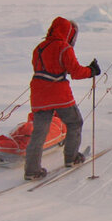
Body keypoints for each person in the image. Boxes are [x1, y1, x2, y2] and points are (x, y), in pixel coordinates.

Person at [25, 17, 100, 180]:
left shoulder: (39, 48)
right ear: (69, 33)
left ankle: (31, 170)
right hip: (59, 93)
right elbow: (76, 72)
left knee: (39, 132)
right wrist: (91, 71)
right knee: (74, 122)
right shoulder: (64, 48)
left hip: (38, 93)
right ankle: (71, 157)